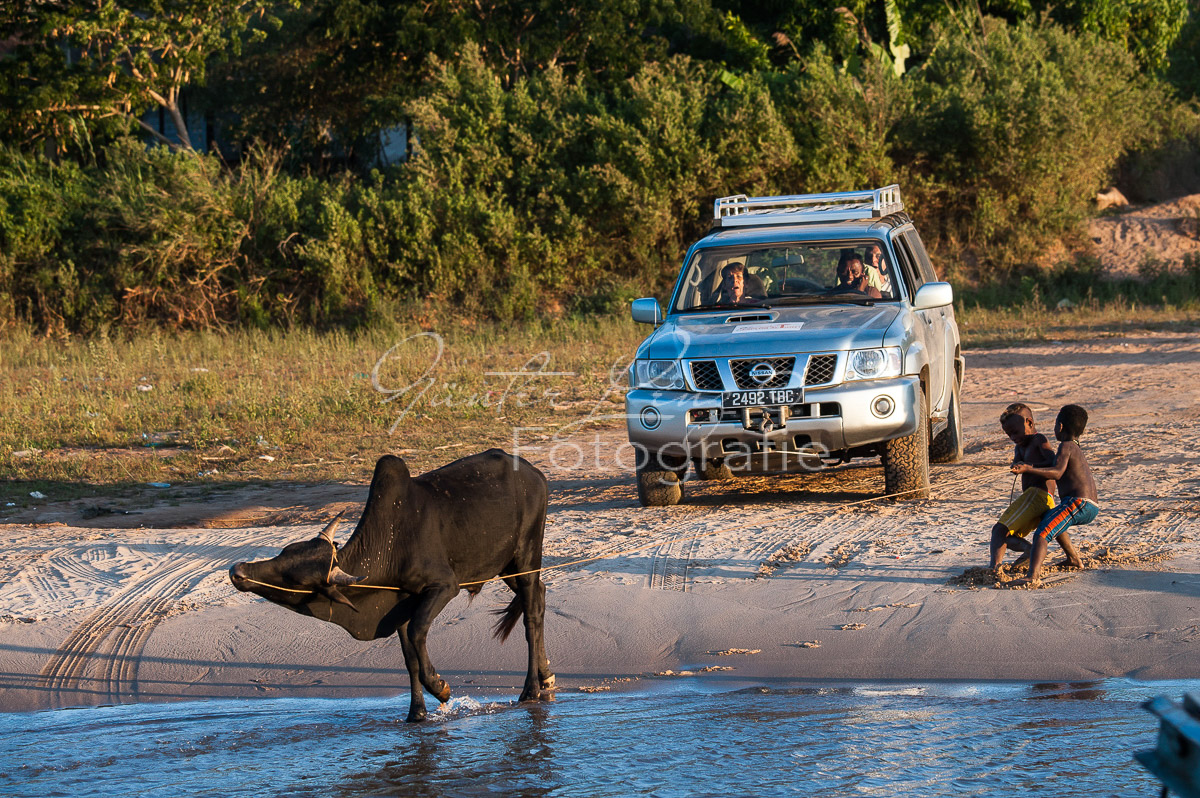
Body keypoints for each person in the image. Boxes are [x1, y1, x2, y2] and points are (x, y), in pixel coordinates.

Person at [1007, 404, 1098, 587]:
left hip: (1078, 503)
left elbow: (1057, 473)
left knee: (1042, 533)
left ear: (1061, 427)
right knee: (1050, 518)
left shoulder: (1066, 446)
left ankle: (1033, 575)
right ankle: (1073, 559)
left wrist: (1028, 468)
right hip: (1087, 504)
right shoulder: (1075, 447)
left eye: (1056, 423)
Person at [988, 403, 1057, 572]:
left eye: (1015, 432)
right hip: (1032, 498)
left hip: (1039, 495)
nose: (1013, 437)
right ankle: (1030, 551)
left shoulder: (1039, 440)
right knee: (1005, 535)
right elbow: (1017, 461)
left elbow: (1052, 463)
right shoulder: (1019, 447)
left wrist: (1028, 467)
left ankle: (994, 569)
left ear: (1030, 423)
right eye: (1009, 434)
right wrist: (1016, 466)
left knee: (999, 530)